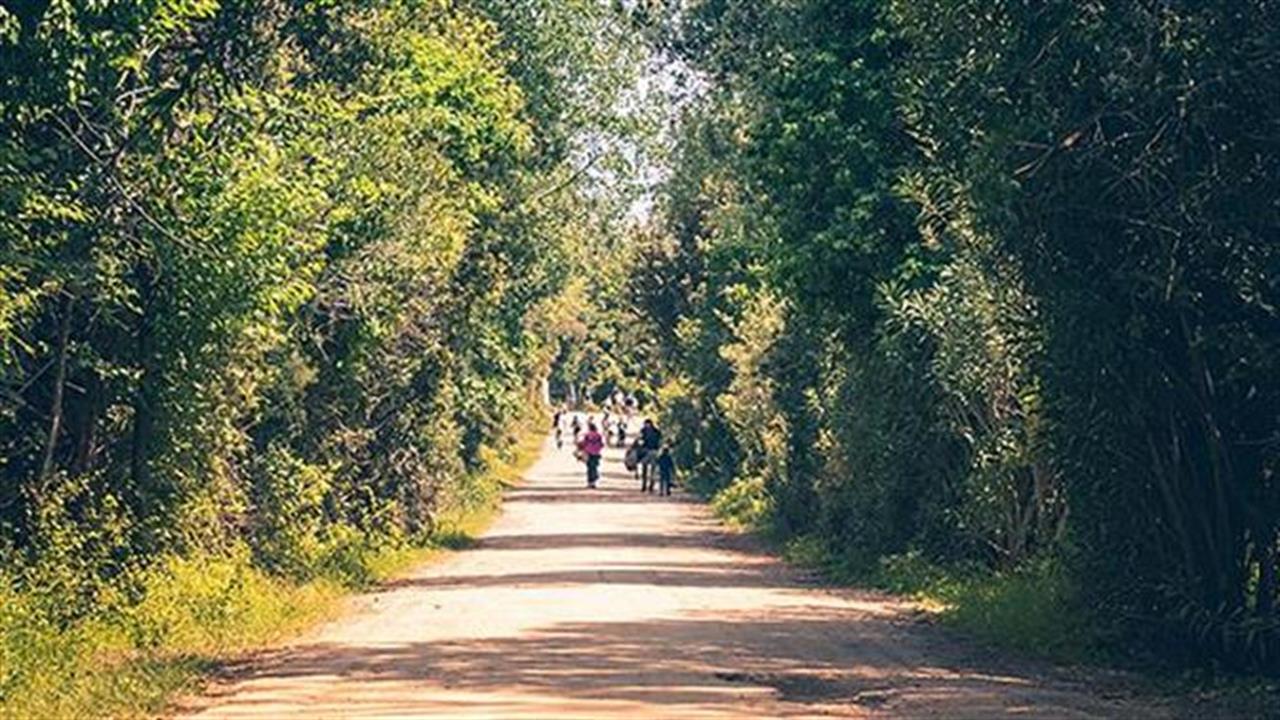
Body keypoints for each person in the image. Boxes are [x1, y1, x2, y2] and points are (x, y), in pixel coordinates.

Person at [578, 422, 605, 489]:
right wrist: (598, 448)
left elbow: (584, 443)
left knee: (589, 467)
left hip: (589, 452)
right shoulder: (599, 435)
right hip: (596, 453)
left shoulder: (587, 435)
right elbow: (602, 444)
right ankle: (594, 481)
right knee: (595, 467)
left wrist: (581, 447)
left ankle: (590, 482)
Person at [639, 419, 662, 492]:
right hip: (654, 451)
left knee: (647, 469)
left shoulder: (644, 431)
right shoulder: (657, 431)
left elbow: (640, 440)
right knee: (651, 469)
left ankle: (646, 485)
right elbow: (660, 441)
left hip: (648, 451)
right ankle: (649, 486)